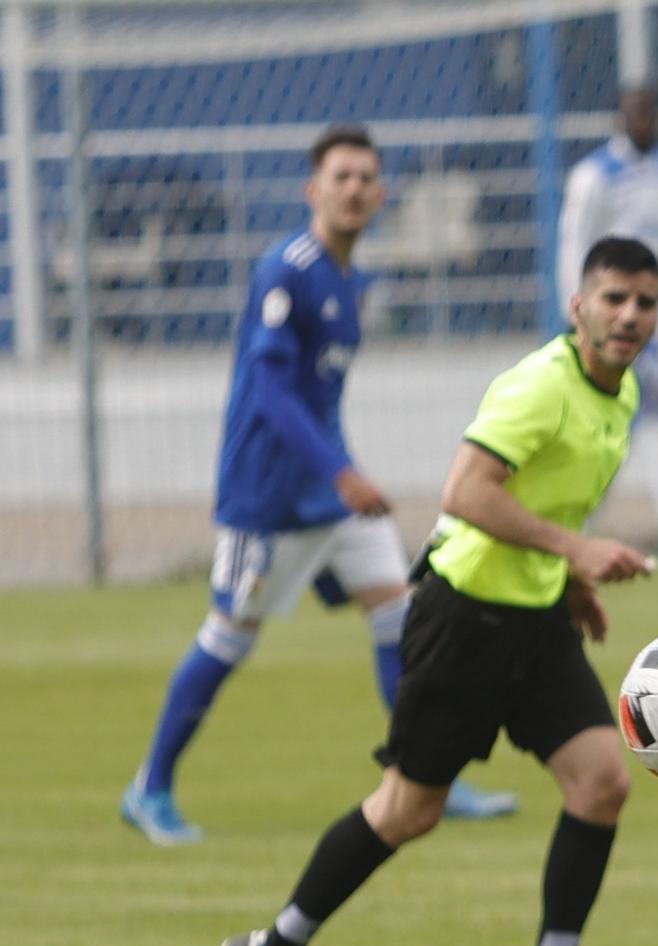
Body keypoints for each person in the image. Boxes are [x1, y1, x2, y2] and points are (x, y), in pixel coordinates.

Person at [217, 236, 658, 946]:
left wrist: (571, 581)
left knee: (601, 782)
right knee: (407, 809)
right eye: (614, 299)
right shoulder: (540, 386)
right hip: (462, 620)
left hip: (533, 622)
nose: (629, 316)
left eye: (644, 302)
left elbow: (544, 495)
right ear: (579, 306)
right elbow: (465, 493)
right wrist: (576, 547)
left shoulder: (624, 391)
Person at [121, 125, 516, 845]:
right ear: (313, 189)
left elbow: (320, 397)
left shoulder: (351, 277)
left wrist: (342, 471)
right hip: (267, 499)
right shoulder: (287, 268)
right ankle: (149, 787)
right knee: (229, 638)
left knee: (403, 617)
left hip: (332, 496)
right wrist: (341, 470)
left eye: (367, 177)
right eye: (342, 176)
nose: (356, 188)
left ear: (381, 192)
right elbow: (271, 394)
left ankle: (426, 776)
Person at [557, 84, 658, 580]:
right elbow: (574, 248)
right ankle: (575, 541)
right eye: (634, 113)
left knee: (651, 430)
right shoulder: (595, 176)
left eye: (650, 112)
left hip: (653, 332)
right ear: (619, 118)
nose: (643, 120)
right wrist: (581, 316)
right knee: (625, 434)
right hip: (609, 333)